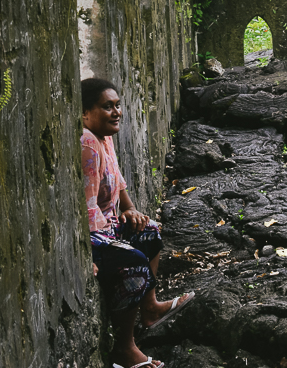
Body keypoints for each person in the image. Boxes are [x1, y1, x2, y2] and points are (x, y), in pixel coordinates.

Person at [81, 78, 194, 368]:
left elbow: (117, 182)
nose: (116, 112)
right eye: (107, 106)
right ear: (85, 113)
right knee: (134, 260)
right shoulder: (87, 143)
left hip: (106, 226)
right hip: (91, 234)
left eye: (118, 105)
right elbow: (86, 206)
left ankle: (150, 309)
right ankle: (124, 349)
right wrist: (89, 254)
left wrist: (131, 210)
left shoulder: (103, 137)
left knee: (150, 231)